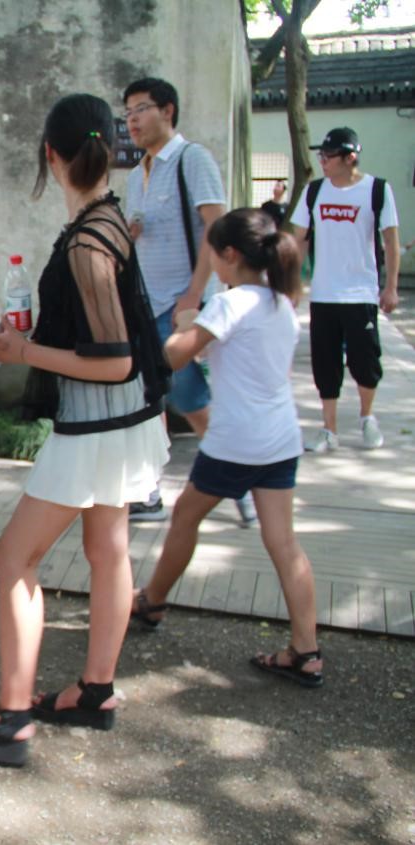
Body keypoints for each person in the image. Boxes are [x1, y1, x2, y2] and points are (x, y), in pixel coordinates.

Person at [0, 94, 169, 767]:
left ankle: (11, 718)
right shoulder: (106, 221)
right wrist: (40, 335)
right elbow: (110, 341)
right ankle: (95, 690)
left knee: (14, 557)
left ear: (51, 154)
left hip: (98, 426)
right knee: (107, 550)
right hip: (128, 421)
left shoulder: (88, 240)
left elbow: (115, 355)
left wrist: (22, 352)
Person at [131, 208, 323, 688]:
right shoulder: (281, 301)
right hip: (280, 438)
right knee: (283, 542)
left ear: (230, 254)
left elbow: (173, 355)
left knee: (185, 517)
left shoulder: (231, 303)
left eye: (212, 253)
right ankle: (306, 650)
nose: (210, 263)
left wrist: (180, 323)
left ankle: (152, 602)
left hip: (237, 440)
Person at [121, 77, 254, 527]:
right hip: (144, 304)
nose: (132, 120)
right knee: (149, 401)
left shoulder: (191, 159)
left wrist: (195, 293)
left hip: (179, 305)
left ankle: (240, 479)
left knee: (190, 400)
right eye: (127, 113)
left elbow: (218, 232)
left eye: (141, 109)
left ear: (168, 111)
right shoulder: (137, 173)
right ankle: (150, 492)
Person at [291, 127, 401, 452]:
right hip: (324, 294)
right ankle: (329, 430)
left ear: (350, 157)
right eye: (320, 155)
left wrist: (390, 287)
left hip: (361, 293)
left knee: (365, 361)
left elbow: (391, 242)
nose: (322, 161)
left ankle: (367, 418)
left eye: (329, 156)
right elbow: (297, 239)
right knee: (325, 364)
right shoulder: (314, 192)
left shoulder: (376, 190)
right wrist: (293, 283)